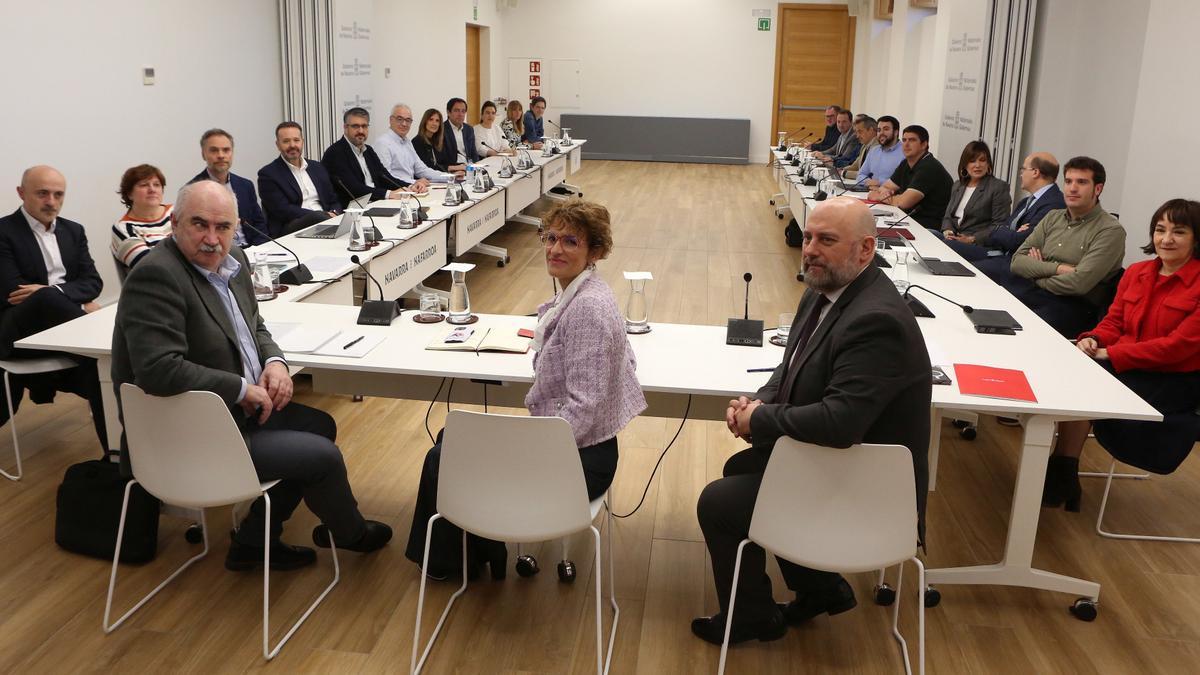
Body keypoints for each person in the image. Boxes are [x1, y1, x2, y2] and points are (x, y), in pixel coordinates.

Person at [112, 181, 392, 571]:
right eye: (199, 224)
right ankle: (351, 534)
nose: (212, 239)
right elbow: (159, 370)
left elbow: (255, 325)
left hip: (229, 417)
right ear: (175, 223)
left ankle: (254, 541)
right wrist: (242, 389)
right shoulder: (157, 275)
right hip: (188, 436)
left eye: (223, 227)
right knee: (322, 458)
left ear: (236, 228)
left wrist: (275, 362)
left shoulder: (234, 260)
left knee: (319, 425)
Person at [691, 197, 930, 646]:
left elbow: (840, 423)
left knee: (719, 503)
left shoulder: (876, 320)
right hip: (839, 464)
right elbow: (789, 370)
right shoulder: (823, 292)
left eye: (827, 240)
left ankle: (751, 618)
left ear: (865, 249)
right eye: (808, 238)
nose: (810, 250)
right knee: (742, 468)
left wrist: (760, 419)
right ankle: (821, 589)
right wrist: (755, 403)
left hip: (868, 490)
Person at [405, 198, 646, 580]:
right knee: (452, 441)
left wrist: (528, 446)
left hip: (579, 462)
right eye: (551, 238)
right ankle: (477, 553)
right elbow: (625, 361)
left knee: (444, 457)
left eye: (570, 241)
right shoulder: (584, 293)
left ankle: (455, 562)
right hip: (578, 447)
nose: (555, 249)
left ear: (595, 252)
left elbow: (583, 410)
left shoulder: (588, 308)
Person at [1041, 199, 1200, 511]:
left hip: (1173, 380)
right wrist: (1093, 339)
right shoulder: (1138, 272)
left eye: (1179, 232)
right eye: (1160, 230)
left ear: (1196, 239)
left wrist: (1110, 353)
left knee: (1088, 382)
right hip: (1125, 364)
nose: (1166, 239)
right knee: (1077, 370)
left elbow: (1177, 347)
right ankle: (1063, 470)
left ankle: (1062, 470)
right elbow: (1114, 321)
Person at [0, 166, 107, 451]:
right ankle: (106, 344)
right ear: (21, 193)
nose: (51, 201)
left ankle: (114, 456)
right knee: (45, 300)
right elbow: (13, 292)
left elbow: (93, 282)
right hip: (20, 331)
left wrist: (57, 292)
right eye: (42, 193)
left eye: (58, 194)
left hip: (67, 328)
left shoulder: (73, 230)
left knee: (97, 365)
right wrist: (70, 300)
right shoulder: (4, 232)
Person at [1003, 156, 1126, 338]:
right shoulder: (1053, 217)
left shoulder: (1110, 230)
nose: (1072, 188)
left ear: (1098, 189)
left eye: (1081, 182)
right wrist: (1059, 269)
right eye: (1068, 181)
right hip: (1033, 293)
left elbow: (1078, 284)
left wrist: (1035, 274)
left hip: (1072, 307)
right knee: (990, 307)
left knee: (1016, 332)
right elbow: (1017, 262)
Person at [948, 152, 1064, 264]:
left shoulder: (1054, 203)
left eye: (1023, 169)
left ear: (1035, 172)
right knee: (948, 245)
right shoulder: (1026, 201)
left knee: (966, 268)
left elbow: (1018, 240)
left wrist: (1004, 232)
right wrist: (1008, 231)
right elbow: (1005, 228)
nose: (1021, 174)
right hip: (997, 251)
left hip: (1013, 261)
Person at [257, 122, 340, 237]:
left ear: (302, 142)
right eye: (286, 141)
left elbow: (333, 200)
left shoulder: (317, 167)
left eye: (296, 140)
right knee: (318, 217)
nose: (292, 145)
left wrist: (334, 213)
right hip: (292, 228)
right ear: (278, 145)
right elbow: (283, 210)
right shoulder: (268, 174)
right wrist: (323, 216)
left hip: (326, 221)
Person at [190, 128, 269, 246]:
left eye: (226, 150)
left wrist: (259, 249)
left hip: (251, 250)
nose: (221, 155)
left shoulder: (245, 185)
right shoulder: (193, 191)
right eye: (214, 150)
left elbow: (259, 225)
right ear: (203, 154)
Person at [320, 107, 410, 210]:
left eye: (364, 126)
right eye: (355, 126)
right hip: (352, 210)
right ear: (345, 128)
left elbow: (385, 177)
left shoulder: (369, 150)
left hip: (376, 203)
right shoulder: (336, 153)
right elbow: (354, 189)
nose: (361, 131)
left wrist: (410, 187)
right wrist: (388, 194)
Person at [866, 125, 953, 230]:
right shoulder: (906, 163)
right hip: (907, 219)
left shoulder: (929, 167)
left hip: (928, 227)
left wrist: (880, 197)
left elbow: (903, 203)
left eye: (912, 140)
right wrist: (886, 194)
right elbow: (885, 187)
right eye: (904, 140)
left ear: (924, 145)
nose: (906, 144)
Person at [939, 141, 1011, 247]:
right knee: (927, 234)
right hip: (953, 239)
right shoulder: (958, 185)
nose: (977, 165)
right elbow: (948, 217)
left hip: (977, 244)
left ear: (988, 164)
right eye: (972, 161)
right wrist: (948, 231)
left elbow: (999, 225)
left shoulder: (998, 187)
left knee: (945, 245)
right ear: (965, 165)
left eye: (982, 160)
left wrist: (972, 239)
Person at [374, 103, 457, 192]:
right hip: (395, 192)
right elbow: (386, 177)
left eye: (408, 120)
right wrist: (414, 182)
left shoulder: (407, 142)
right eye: (399, 119)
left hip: (410, 190)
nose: (404, 124)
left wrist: (450, 177)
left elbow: (422, 169)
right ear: (391, 120)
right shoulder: (383, 143)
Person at [111, 164, 173, 271]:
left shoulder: (178, 211)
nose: (152, 189)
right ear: (129, 194)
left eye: (157, 185)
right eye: (144, 185)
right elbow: (151, 266)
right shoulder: (123, 229)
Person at [854, 115, 904, 187]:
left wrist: (879, 182)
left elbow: (903, 182)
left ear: (896, 132)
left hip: (891, 193)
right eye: (879, 130)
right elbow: (860, 175)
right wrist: (869, 182)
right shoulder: (874, 151)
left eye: (886, 129)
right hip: (869, 190)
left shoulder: (905, 152)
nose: (881, 133)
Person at [411, 108, 463, 175]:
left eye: (437, 121)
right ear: (425, 122)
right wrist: (453, 170)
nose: (434, 123)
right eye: (431, 119)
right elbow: (429, 167)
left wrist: (461, 167)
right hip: (425, 179)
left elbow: (445, 163)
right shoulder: (417, 142)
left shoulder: (438, 142)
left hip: (439, 177)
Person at [444, 97, 480, 164]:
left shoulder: (469, 129)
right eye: (456, 110)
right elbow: (442, 158)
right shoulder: (442, 129)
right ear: (448, 112)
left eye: (463, 111)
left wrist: (476, 166)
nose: (460, 114)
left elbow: (473, 153)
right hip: (452, 167)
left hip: (469, 166)